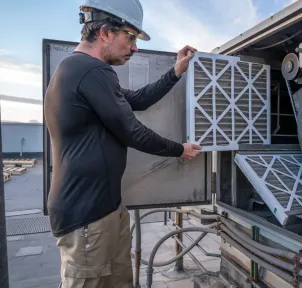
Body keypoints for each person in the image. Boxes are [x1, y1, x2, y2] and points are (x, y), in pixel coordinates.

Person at [43, 0, 202, 287]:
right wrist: (180, 149)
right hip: (87, 215)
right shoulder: (89, 71)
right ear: (105, 33)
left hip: (105, 208)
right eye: (130, 37)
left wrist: (176, 71)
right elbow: (133, 132)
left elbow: (139, 100)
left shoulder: (86, 72)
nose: (134, 47)